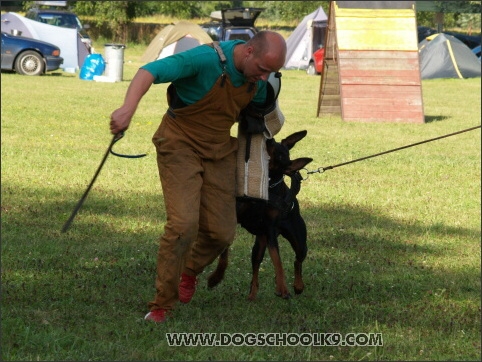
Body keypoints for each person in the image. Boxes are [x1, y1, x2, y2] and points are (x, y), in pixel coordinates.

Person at [109, 31, 287, 323]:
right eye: (262, 69)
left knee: (221, 233)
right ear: (249, 51)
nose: (264, 77)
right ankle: (162, 305)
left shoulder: (259, 81)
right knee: (183, 226)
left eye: (272, 72)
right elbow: (148, 71)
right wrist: (127, 109)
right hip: (179, 143)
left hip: (219, 149)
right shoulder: (205, 59)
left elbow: (265, 109)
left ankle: (188, 271)